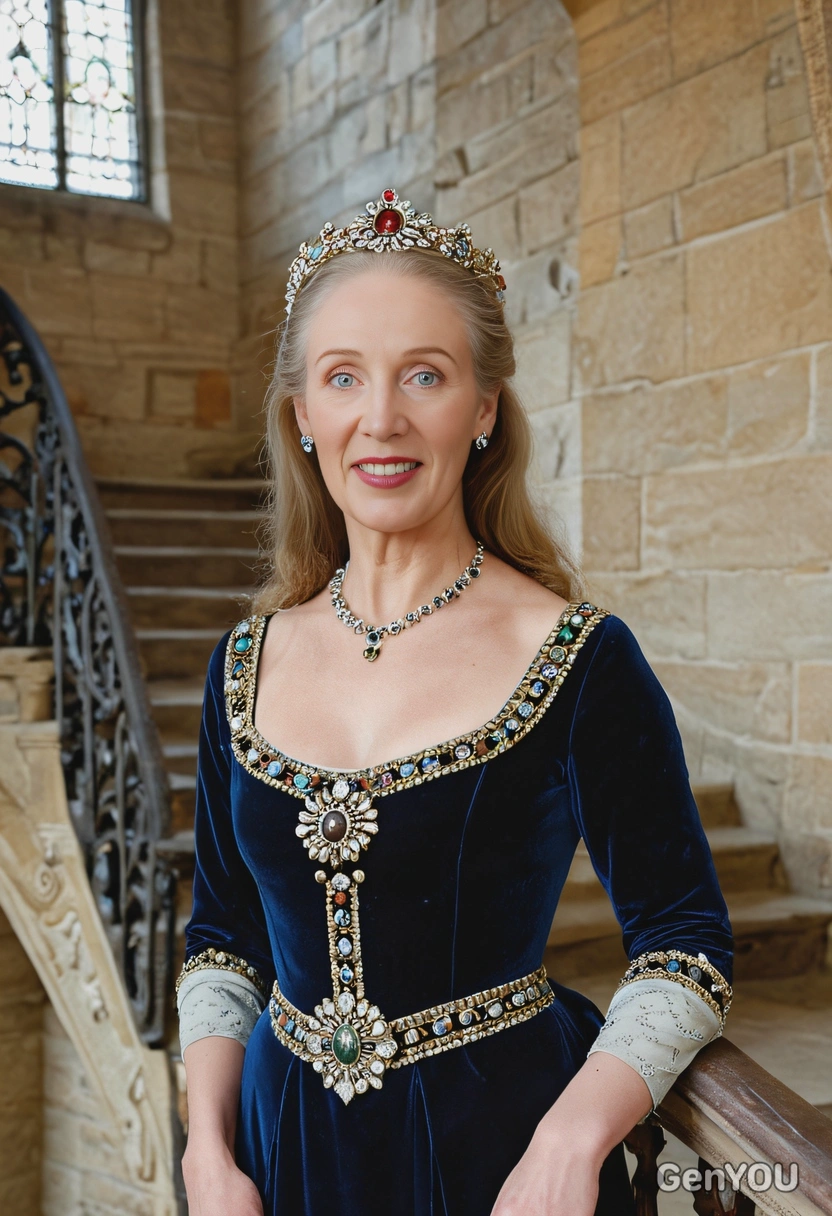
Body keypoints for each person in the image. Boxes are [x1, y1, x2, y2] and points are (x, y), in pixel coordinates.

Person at [176, 189, 733, 1216]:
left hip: (499, 1154)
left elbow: (684, 944)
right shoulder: (242, 663)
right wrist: (207, 1153)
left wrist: (570, 1139)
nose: (379, 419)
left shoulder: (579, 658)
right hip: (276, 1149)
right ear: (302, 412)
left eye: (423, 376)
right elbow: (222, 938)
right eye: (343, 377)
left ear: (481, 410)